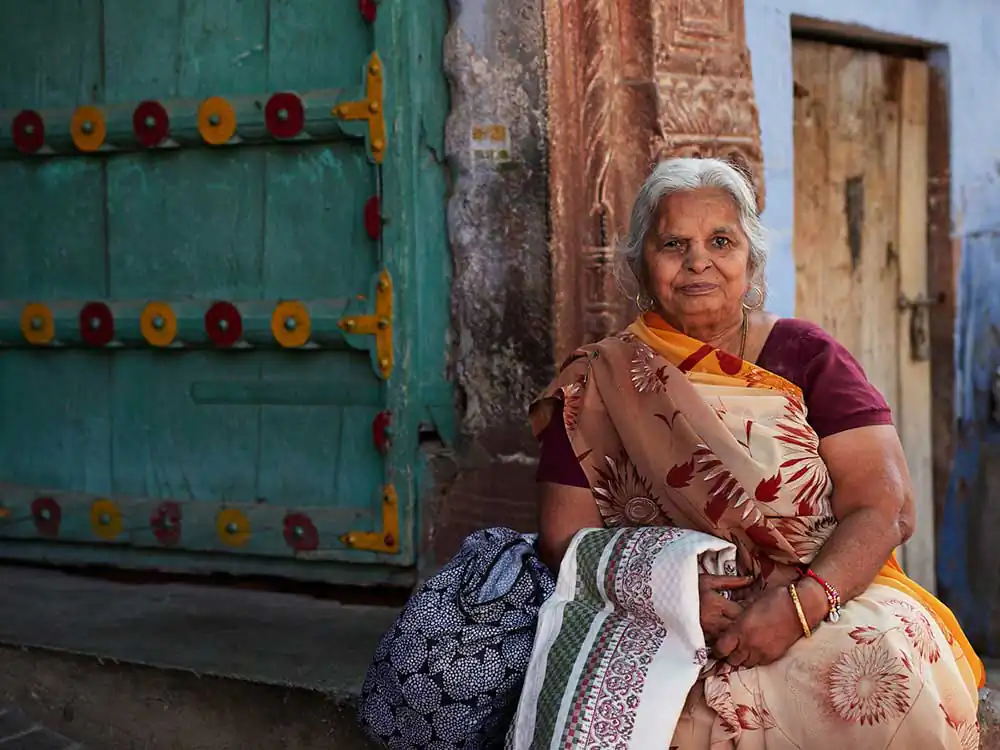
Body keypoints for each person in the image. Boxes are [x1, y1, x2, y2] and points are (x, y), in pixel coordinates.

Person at [521, 157, 984, 748]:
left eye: (720, 241)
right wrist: (672, 590)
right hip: (662, 614)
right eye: (673, 243)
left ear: (751, 259)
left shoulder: (807, 356)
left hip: (830, 592)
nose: (697, 261)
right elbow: (566, 537)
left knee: (872, 675)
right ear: (640, 262)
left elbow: (887, 507)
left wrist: (800, 605)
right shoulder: (598, 381)